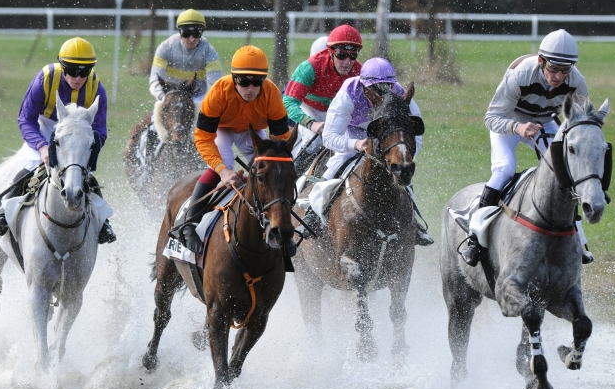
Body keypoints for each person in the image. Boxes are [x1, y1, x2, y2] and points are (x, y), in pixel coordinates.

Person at [461, 29, 591, 266]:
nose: (559, 76)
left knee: (565, 175)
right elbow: (491, 117)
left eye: (566, 70)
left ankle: (578, 240)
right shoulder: (520, 75)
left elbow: (580, 122)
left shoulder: (577, 82)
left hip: (544, 123)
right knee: (505, 170)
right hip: (507, 121)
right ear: (541, 61)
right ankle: (474, 239)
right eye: (553, 68)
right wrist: (517, 127)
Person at [0, 37, 116, 244]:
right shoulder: (46, 78)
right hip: (44, 129)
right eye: (73, 71)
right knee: (30, 166)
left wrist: (86, 151)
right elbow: (26, 119)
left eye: (85, 71)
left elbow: (100, 130)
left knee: (85, 175)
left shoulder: (96, 87)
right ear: (62, 67)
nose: (78, 77)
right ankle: (3, 212)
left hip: (76, 136)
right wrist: (42, 146)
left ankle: (102, 222)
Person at [170, 45, 292, 254]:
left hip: (252, 132)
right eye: (244, 81)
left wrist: (274, 163)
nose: (251, 88)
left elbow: (281, 138)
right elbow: (203, 137)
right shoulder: (218, 91)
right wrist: (223, 171)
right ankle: (188, 223)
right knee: (224, 166)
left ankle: (283, 227)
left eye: (257, 82)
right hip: (223, 130)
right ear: (234, 78)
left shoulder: (271, 93)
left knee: (273, 172)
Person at [300, 57, 433, 246]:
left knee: (404, 175)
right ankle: (312, 216)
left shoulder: (402, 97)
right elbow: (329, 137)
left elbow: (416, 139)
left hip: (387, 142)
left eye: (387, 86)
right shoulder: (349, 92)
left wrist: (399, 153)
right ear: (365, 86)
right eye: (377, 88)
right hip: (353, 137)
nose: (383, 92)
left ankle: (414, 224)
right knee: (333, 168)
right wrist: (356, 144)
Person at [283, 25, 363, 161]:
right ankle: (294, 177)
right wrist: (311, 124)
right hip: (309, 108)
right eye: (341, 55)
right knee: (313, 142)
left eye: (352, 56)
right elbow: (288, 102)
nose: (347, 62)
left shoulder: (359, 71)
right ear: (331, 51)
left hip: (336, 110)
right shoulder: (310, 67)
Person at [149, 9, 222, 105]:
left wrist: (203, 103)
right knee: (152, 119)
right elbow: (154, 82)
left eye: (196, 33)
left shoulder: (210, 53)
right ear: (179, 31)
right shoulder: (165, 48)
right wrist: (164, 98)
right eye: (186, 33)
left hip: (198, 99)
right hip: (169, 97)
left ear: (202, 32)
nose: (191, 39)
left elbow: (214, 87)